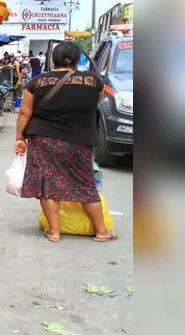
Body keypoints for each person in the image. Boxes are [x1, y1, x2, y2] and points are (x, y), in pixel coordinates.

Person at [15, 42, 115, 243]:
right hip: (80, 140)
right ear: (78, 60)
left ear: (53, 59)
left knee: (48, 185)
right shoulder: (92, 80)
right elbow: (99, 99)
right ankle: (102, 231)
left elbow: (25, 112)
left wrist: (20, 137)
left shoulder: (37, 82)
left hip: (43, 139)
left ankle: (54, 232)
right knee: (85, 185)